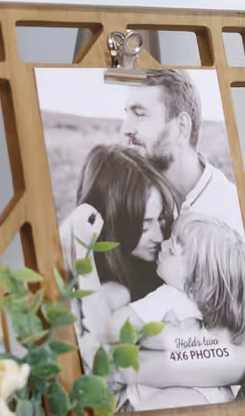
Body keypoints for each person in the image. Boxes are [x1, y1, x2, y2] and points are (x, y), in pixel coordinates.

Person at [114, 214, 245, 409]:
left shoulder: (168, 296)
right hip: (213, 396)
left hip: (137, 402)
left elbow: (116, 325)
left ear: (195, 276)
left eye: (173, 249)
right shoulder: (222, 314)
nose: (163, 245)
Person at [64, 146, 177, 371]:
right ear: (111, 223)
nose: (158, 236)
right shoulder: (105, 286)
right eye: (144, 226)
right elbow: (101, 339)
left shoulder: (171, 248)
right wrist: (84, 250)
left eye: (160, 218)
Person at [120, 70, 245, 232]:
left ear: (181, 127)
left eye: (140, 115)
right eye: (127, 114)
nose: (126, 129)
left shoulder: (228, 221)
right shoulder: (143, 202)